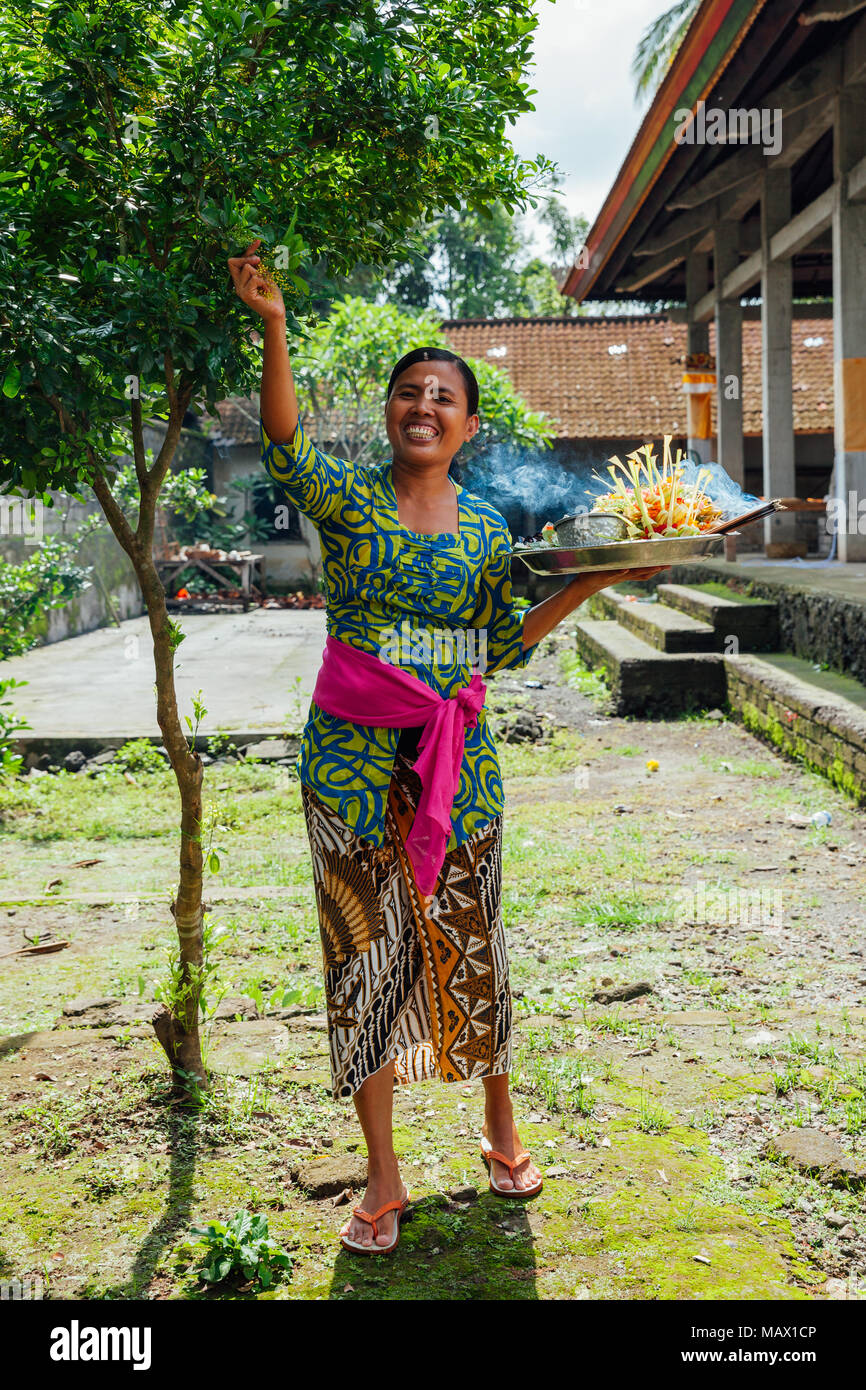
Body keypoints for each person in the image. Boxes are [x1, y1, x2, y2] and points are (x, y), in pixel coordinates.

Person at [228, 240, 670, 1253]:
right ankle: (381, 1175)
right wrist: (274, 326)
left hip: (455, 767)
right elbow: (285, 442)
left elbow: (499, 641)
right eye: (406, 393)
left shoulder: (484, 529)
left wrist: (595, 581)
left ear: (468, 427)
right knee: (365, 955)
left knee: (470, 944)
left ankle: (497, 1125)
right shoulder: (344, 501)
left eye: (442, 397)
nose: (421, 406)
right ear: (390, 414)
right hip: (347, 767)